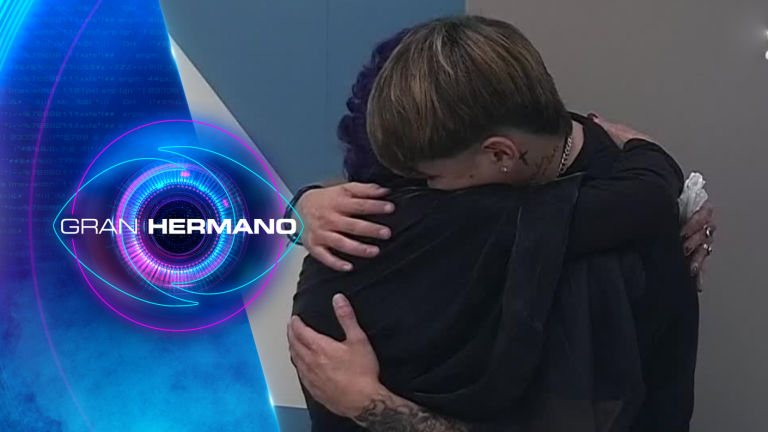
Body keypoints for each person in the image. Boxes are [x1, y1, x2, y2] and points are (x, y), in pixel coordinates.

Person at [288, 16, 715, 432]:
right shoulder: (624, 194)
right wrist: (299, 210)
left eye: (429, 175)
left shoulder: (586, 238)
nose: (420, 189)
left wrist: (370, 405)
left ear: (500, 154)